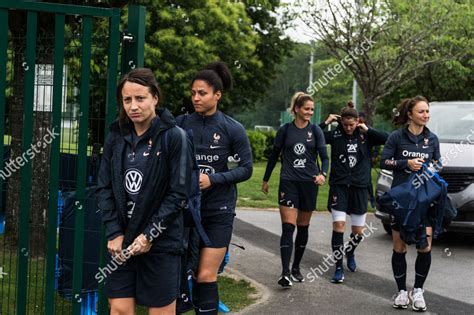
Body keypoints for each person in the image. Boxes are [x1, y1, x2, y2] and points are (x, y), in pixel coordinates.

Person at [96, 68, 194, 315]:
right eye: (127, 100)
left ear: (155, 98)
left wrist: (150, 235)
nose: (133, 106)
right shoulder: (116, 136)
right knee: (119, 309)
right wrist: (114, 232)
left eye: (140, 98)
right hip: (122, 242)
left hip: (161, 244)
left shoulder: (175, 137)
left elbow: (178, 194)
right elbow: (104, 187)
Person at [177, 61, 253, 314]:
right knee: (181, 273)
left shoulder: (233, 128)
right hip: (184, 211)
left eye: (202, 93)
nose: (196, 98)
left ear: (217, 95)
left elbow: (246, 169)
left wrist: (214, 179)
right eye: (193, 93)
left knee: (206, 274)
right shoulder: (181, 124)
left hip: (218, 212)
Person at [261, 92, 329, 288]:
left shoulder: (316, 131)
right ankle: (285, 272)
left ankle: (297, 266)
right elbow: (274, 156)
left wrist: (323, 174)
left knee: (303, 226)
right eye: (306, 109)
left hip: (309, 184)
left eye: (312, 109)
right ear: (296, 109)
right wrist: (266, 179)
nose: (309, 112)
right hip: (288, 182)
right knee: (288, 227)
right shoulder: (285, 130)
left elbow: (324, 157)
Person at [380, 95, 440, 312]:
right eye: (421, 112)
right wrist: (407, 163)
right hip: (402, 201)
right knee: (399, 245)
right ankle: (402, 292)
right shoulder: (396, 137)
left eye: (427, 112)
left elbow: (438, 163)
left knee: (425, 246)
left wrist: (430, 168)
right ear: (410, 114)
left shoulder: (432, 139)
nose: (426, 115)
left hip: (424, 200)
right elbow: (384, 160)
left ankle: (419, 291)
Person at [320, 101, 387, 283]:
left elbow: (387, 138)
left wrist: (368, 129)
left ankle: (350, 251)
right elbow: (312, 135)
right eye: (345, 124)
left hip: (359, 187)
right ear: (341, 123)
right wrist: (326, 122)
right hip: (339, 186)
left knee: (358, 232)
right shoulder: (335, 134)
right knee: (339, 226)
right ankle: (338, 267)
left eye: (352, 124)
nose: (349, 128)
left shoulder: (366, 135)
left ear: (358, 121)